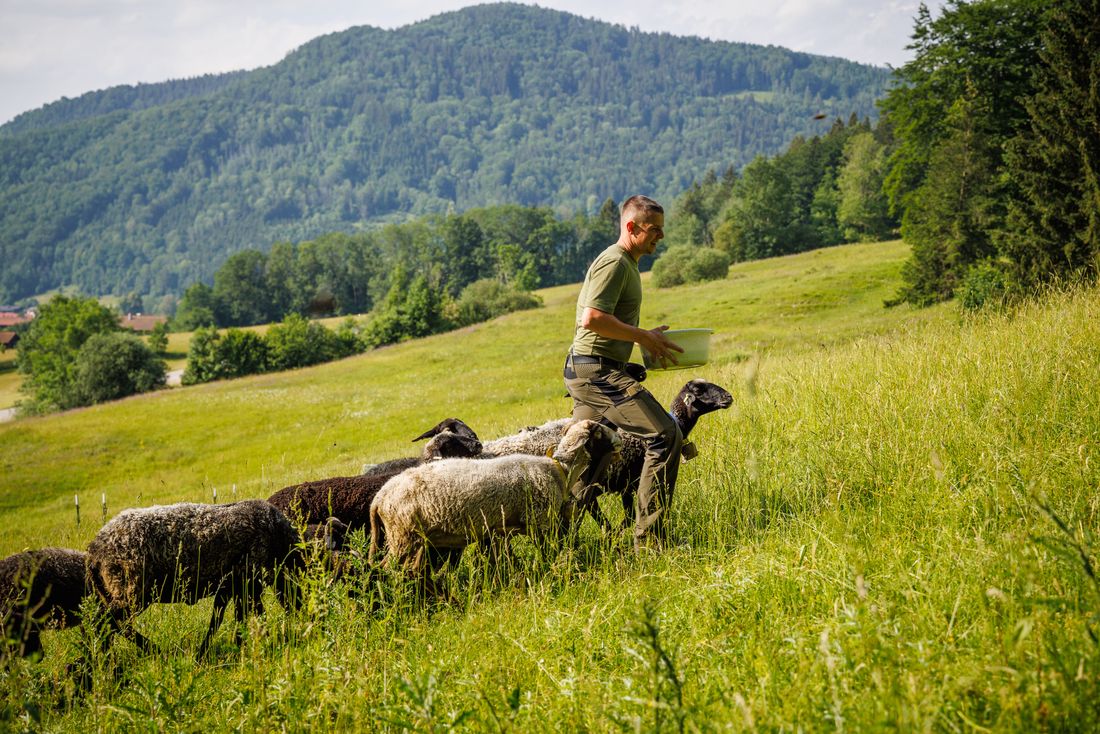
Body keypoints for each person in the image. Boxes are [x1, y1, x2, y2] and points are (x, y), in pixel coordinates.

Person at [563, 195, 685, 551]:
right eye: (654, 230)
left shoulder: (627, 263)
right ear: (631, 227)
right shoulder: (615, 262)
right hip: (595, 372)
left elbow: (602, 321)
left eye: (662, 230)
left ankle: (557, 541)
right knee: (665, 435)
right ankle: (650, 543)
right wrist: (641, 336)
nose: (660, 237)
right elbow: (593, 319)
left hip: (590, 369)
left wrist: (645, 338)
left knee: (586, 462)